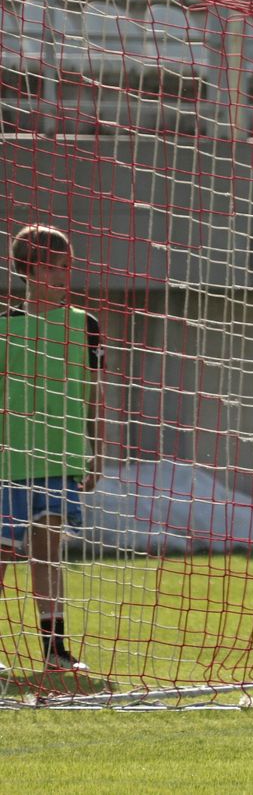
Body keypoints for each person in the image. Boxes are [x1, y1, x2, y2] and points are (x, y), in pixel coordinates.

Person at [2, 225, 102, 674]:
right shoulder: (5, 328)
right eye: (50, 266)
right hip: (9, 460)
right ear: (26, 269)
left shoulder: (85, 324)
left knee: (48, 553)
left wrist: (95, 449)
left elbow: (94, 394)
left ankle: (55, 651)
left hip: (59, 457)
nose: (61, 275)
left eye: (66, 266)